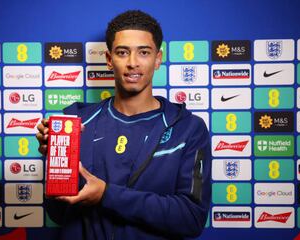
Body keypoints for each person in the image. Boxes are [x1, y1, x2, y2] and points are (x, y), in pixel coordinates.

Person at [36, 10, 211, 240]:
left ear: (158, 59)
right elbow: (59, 214)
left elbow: (191, 219)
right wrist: (55, 162)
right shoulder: (78, 125)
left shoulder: (188, 129)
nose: (132, 63)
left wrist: (107, 195)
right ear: (109, 60)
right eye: (122, 52)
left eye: (144, 52)